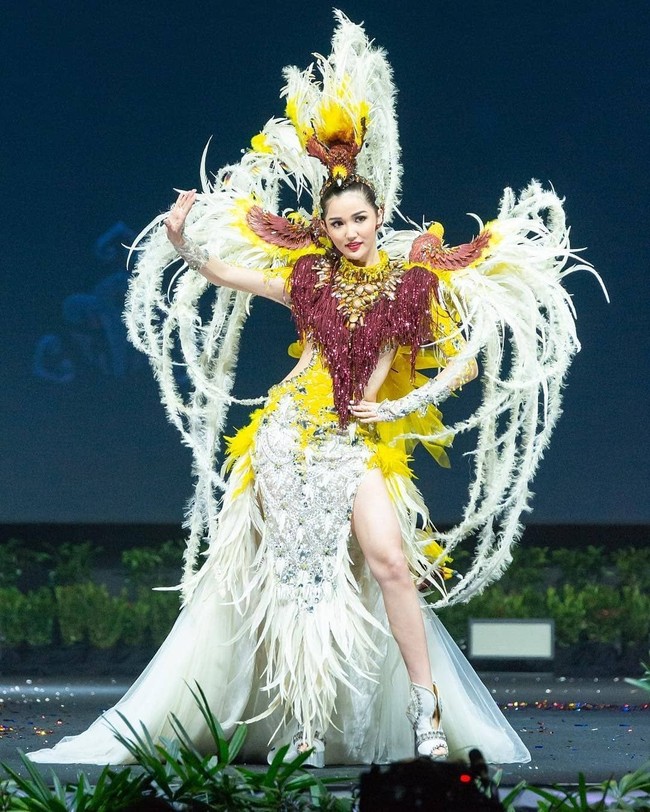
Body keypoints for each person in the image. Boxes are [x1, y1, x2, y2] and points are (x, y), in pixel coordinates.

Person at [28, 11, 600, 768]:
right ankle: (302, 719)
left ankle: (426, 713)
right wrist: (184, 244)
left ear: (376, 217)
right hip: (288, 438)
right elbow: (228, 272)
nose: (353, 230)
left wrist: (395, 407)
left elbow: (464, 364)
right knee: (297, 579)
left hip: (358, 444)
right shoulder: (308, 281)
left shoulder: (411, 284)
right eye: (339, 222)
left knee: (389, 562)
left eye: (362, 218)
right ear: (325, 228)